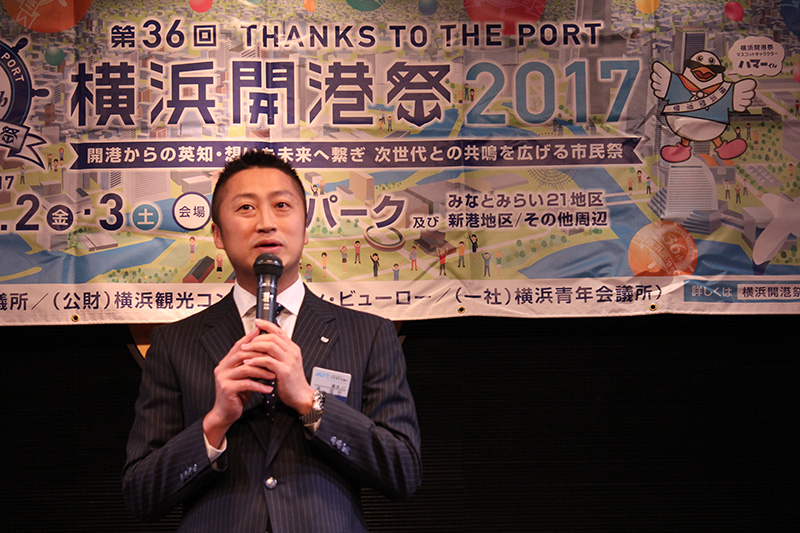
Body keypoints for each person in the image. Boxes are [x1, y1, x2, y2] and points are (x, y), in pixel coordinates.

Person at [122, 151, 422, 532]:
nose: (266, 222)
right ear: (217, 234)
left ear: (305, 227)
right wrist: (215, 423)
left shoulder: (369, 335)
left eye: (282, 205)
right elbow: (140, 494)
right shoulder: (174, 343)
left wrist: (311, 403)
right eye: (245, 208)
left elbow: (403, 471)